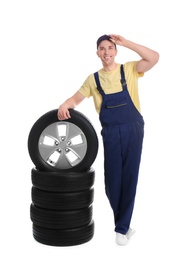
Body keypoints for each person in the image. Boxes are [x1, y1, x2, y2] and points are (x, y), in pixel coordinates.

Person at [57, 34, 159, 245]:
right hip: (110, 132)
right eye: (102, 48)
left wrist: (127, 43)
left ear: (116, 51)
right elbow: (75, 99)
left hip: (133, 128)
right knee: (112, 183)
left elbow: (154, 57)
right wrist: (64, 105)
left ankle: (121, 229)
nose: (106, 52)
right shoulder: (93, 80)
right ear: (97, 53)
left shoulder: (129, 69)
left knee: (130, 177)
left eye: (110, 48)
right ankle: (124, 225)